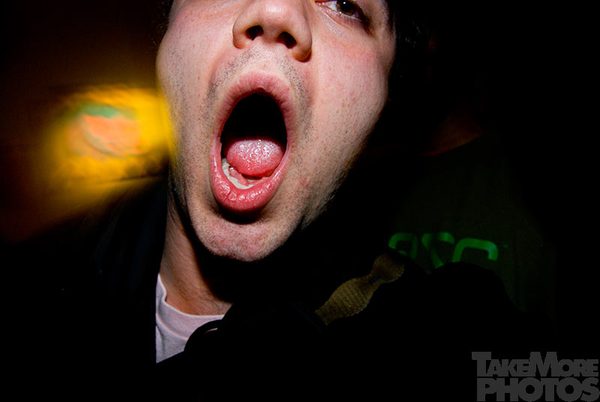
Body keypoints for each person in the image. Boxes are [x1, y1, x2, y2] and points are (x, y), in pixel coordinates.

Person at [7, 1, 554, 400]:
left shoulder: (428, 341)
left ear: (386, 98)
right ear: (165, 31)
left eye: (345, 4)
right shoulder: (28, 289)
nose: (275, 10)